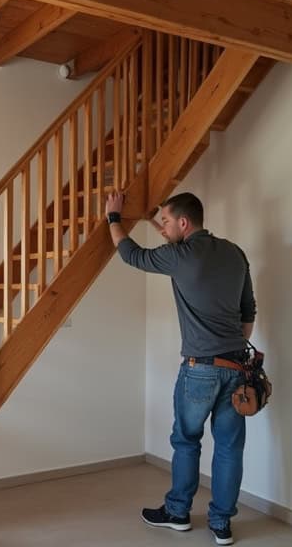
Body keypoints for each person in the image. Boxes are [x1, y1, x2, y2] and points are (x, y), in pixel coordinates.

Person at [105, 191, 256, 546]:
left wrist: (114, 217)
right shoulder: (235, 253)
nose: (163, 228)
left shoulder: (180, 255)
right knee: (230, 448)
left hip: (199, 369)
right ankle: (221, 525)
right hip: (237, 367)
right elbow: (248, 314)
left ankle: (177, 513)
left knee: (187, 442)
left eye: (167, 222)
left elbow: (131, 254)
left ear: (184, 223)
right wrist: (230, 345)